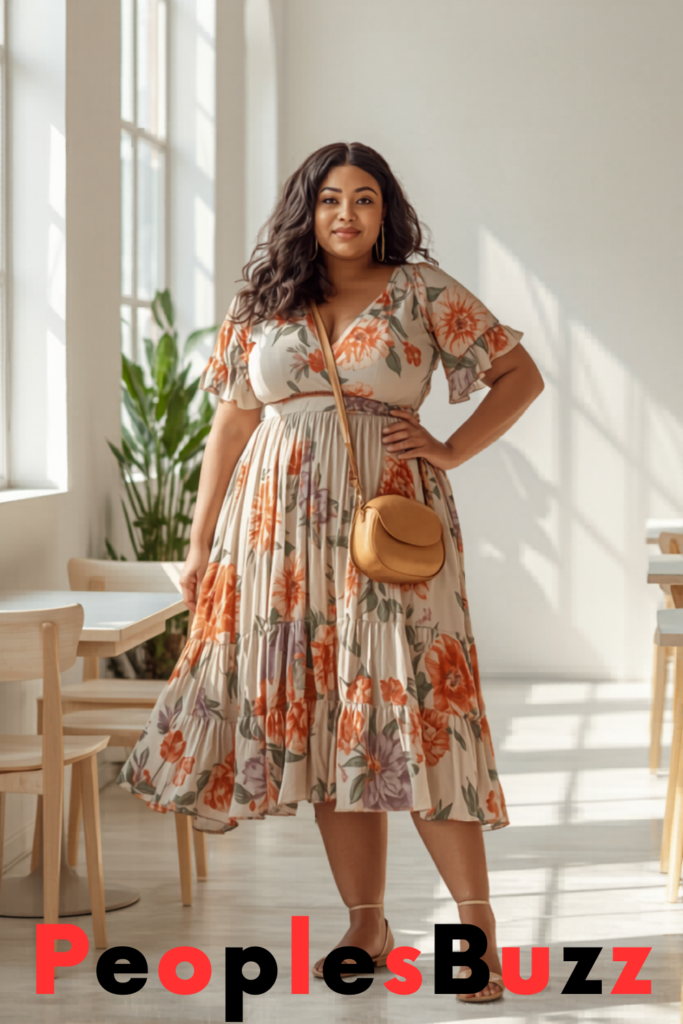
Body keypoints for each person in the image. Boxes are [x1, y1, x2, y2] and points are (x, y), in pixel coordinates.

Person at [118, 141, 544, 1003]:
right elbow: (232, 429)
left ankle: (475, 924)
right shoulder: (267, 300)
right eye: (328, 200)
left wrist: (450, 449)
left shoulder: (422, 290)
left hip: (388, 527)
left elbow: (517, 373)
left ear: (386, 212)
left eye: (364, 199)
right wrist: (201, 544)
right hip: (275, 535)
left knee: (421, 715)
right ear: (305, 211)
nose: (345, 214)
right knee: (329, 721)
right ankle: (366, 918)